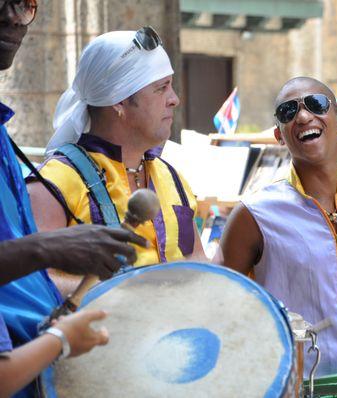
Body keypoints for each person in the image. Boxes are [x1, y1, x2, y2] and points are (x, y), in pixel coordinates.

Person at [219, 77, 337, 377]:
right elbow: (221, 305)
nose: (303, 116)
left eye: (316, 104)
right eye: (288, 111)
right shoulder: (254, 214)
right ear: (279, 135)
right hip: (297, 387)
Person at [0, 1, 145, 396]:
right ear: (120, 103)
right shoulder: (62, 175)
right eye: (161, 88)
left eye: (25, 4)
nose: (14, 16)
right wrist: (46, 249)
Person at [27, 27, 207, 296]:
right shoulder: (54, 184)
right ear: (119, 102)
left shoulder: (172, 177)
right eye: (161, 88)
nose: (174, 99)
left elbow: (198, 263)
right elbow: (32, 284)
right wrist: (125, 294)